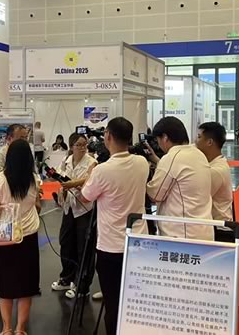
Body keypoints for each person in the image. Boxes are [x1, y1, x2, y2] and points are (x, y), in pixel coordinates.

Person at [81, 117, 148, 335]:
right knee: (135, 301)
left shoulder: (102, 170)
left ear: (108, 136)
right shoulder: (142, 163)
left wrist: (90, 174)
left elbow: (85, 197)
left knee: (113, 304)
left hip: (111, 247)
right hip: (138, 244)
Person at [0, 139, 42, 335]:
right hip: (29, 235)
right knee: (27, 284)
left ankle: (6, 328)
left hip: (6, 234)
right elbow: (37, 205)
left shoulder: (0, 179)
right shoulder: (34, 179)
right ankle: (21, 328)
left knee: (5, 283)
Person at [147, 116, 214, 240]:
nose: (159, 144)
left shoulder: (171, 158)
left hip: (181, 235)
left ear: (165, 137)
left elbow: (155, 195)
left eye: (158, 140)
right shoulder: (198, 154)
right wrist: (157, 160)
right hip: (203, 230)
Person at [51, 133, 97, 299]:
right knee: (66, 242)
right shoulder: (67, 160)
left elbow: (90, 180)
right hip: (69, 207)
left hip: (85, 209)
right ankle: (67, 277)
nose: (82, 148)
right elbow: (60, 176)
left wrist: (72, 183)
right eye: (79, 145)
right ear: (71, 146)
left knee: (84, 247)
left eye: (84, 145)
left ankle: (82, 285)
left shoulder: (92, 162)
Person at [196, 122, 233, 223]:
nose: (195, 142)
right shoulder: (213, 163)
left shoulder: (216, 170)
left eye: (199, 137)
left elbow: (197, 197)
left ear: (209, 142)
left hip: (219, 226)